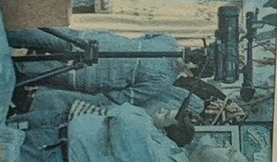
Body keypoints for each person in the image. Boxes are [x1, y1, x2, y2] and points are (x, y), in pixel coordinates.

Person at [1, 89, 252, 162]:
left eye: (229, 152)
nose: (224, 144)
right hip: (52, 159)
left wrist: (154, 119)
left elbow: (124, 124)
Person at [9, 27, 205, 118]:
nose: (189, 56)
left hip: (84, 73)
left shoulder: (162, 80)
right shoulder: (168, 41)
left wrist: (102, 85)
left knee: (27, 70)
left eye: (194, 60)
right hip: (87, 44)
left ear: (191, 72)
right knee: (33, 36)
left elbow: (123, 97)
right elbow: (141, 38)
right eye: (195, 52)